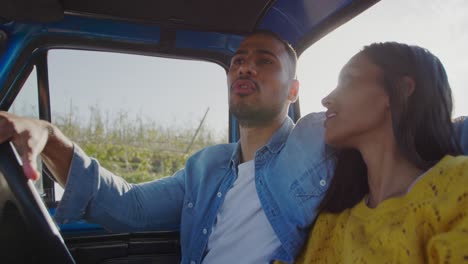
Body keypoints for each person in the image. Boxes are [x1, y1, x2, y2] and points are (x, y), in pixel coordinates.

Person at [0, 30, 332, 264]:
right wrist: (48, 135)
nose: (244, 67)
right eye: (237, 61)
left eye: (265, 61)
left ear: (293, 91)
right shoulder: (204, 167)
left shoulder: (317, 136)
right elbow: (129, 207)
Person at [293, 42, 468, 263]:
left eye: (348, 80)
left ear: (402, 90)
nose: (326, 99)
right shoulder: (332, 221)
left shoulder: (459, 186)